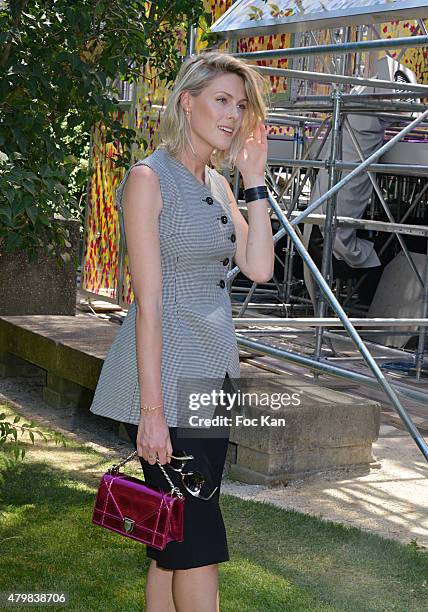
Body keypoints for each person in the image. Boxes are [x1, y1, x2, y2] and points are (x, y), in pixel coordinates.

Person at [90, 51, 274, 612]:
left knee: (169, 537)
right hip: (168, 385)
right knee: (197, 543)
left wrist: (255, 183)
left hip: (213, 379)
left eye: (240, 106)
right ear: (185, 101)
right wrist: (151, 413)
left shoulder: (219, 186)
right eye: (221, 100)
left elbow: (261, 267)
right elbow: (148, 305)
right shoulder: (149, 179)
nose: (233, 115)